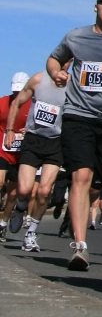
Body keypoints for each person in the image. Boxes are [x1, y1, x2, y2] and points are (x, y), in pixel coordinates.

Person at [48, 0, 102, 271]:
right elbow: (54, 58)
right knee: (80, 175)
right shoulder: (76, 36)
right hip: (78, 114)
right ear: (96, 6)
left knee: (93, 186)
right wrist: (56, 73)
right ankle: (80, 246)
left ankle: (74, 214)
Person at [3, 68, 67, 252]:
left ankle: (31, 233)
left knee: (45, 191)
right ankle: (20, 207)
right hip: (33, 139)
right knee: (23, 189)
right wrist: (9, 131)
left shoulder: (72, 86)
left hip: (55, 143)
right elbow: (16, 103)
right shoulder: (38, 79)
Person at [0, 71, 30, 241]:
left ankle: (3, 223)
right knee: (0, 181)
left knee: (12, 194)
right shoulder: (3, 102)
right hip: (2, 150)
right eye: (15, 91)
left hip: (20, 155)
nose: (17, 94)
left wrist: (29, 130)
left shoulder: (32, 105)